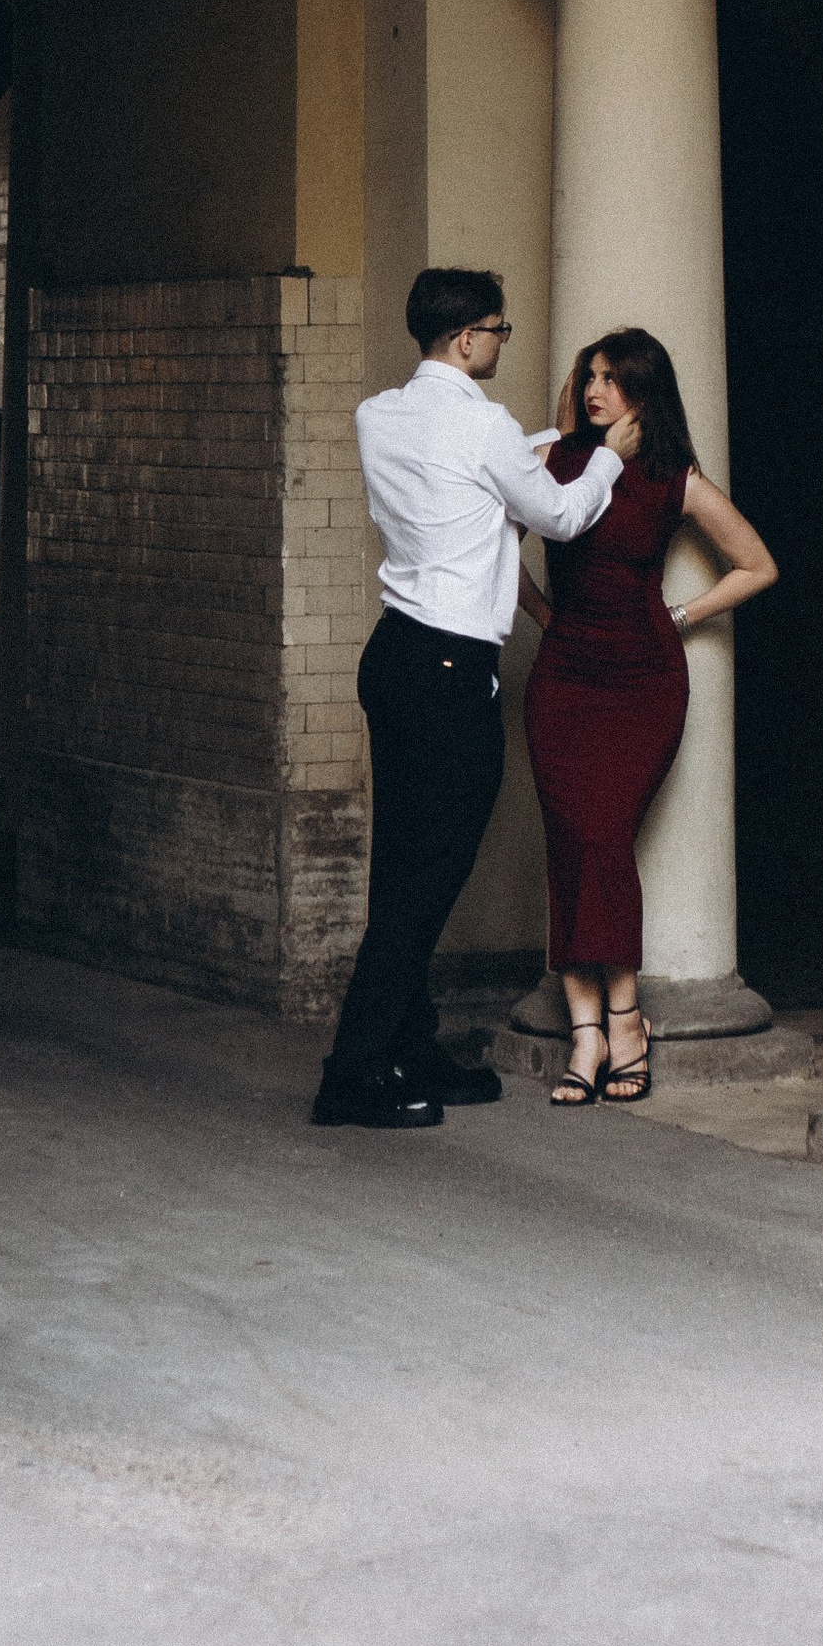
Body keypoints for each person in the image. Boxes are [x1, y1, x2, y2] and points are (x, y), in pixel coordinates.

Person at [312, 265, 640, 1131]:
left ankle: (411, 1047)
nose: (502, 341)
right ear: (467, 339)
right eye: (498, 330)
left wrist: (549, 435)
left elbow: (473, 473)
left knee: (402, 867)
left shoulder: (378, 415)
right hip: (452, 670)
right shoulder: (485, 428)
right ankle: (352, 1073)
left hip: (394, 658)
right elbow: (562, 516)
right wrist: (607, 455)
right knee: (428, 879)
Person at [521, 327, 777, 1108]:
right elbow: (487, 547)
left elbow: (758, 565)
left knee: (602, 835)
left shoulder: (675, 480)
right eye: (588, 376)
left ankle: (618, 1021)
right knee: (573, 842)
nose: (594, 390)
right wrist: (543, 616)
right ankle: (591, 1029)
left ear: (644, 393)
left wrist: (680, 615)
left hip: (642, 683)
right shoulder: (553, 465)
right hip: (563, 683)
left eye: (613, 379)